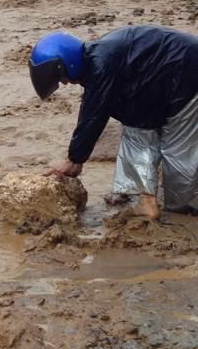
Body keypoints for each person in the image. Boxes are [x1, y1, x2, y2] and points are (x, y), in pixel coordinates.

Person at [28, 26, 198, 219]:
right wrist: (77, 158)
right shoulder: (97, 61)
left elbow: (95, 113)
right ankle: (147, 203)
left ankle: (182, 206)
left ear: (68, 63)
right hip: (157, 79)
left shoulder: (101, 63)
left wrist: (74, 159)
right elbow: (93, 107)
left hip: (189, 73)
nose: (65, 83)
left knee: (179, 145)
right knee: (136, 130)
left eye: (62, 77)